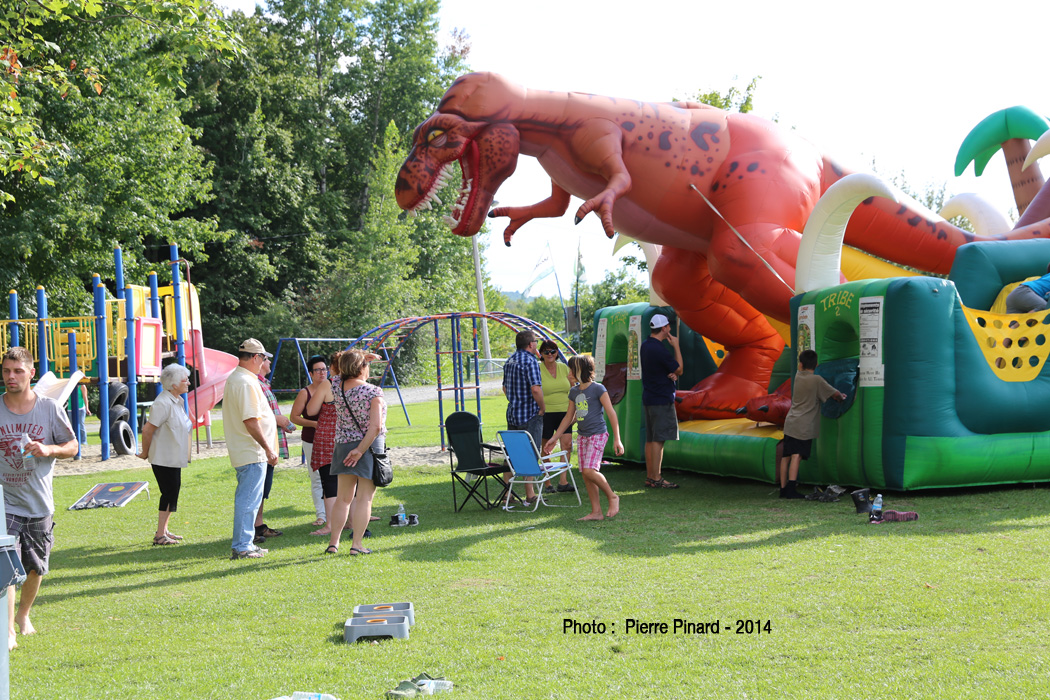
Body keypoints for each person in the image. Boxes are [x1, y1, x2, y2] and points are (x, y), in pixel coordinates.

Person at [0, 347, 77, 650]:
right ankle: (7, 629)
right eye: (6, 371)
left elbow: (72, 447)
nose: (11, 376)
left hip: (38, 501)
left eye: (18, 371)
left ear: (31, 373)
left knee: (34, 567)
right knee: (5, 565)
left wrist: (48, 449)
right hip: (5, 501)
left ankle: (23, 615)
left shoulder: (49, 408)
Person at [306, 349, 385, 556]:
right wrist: (360, 450)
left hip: (342, 446)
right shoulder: (373, 391)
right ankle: (356, 544)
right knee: (364, 498)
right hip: (367, 447)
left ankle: (334, 543)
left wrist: (359, 359)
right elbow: (375, 427)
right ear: (362, 368)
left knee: (343, 498)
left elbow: (339, 373)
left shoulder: (336, 386)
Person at [545, 355, 624, 521]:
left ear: (580, 371)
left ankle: (612, 496)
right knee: (586, 475)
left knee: (589, 470)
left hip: (597, 434)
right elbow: (568, 417)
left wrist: (617, 439)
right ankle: (596, 512)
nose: (568, 374)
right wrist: (554, 438)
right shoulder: (574, 392)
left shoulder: (598, 389)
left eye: (571, 371)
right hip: (582, 436)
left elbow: (611, 413)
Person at [222, 338, 278, 560]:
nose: (264, 362)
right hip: (252, 451)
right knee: (248, 501)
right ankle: (242, 546)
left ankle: (245, 544)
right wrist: (268, 449)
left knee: (250, 501)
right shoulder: (245, 382)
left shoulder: (240, 378)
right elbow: (250, 420)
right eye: (263, 358)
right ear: (256, 357)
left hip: (248, 450)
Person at [136, 363, 192, 545]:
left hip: (173, 457)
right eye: (185, 380)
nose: (189, 383)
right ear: (174, 385)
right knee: (168, 493)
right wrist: (144, 452)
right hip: (164, 458)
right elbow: (147, 430)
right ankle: (160, 535)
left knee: (172, 493)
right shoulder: (162, 403)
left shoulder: (176, 401)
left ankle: (164, 530)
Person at [778, 349, 846, 499]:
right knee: (797, 455)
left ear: (801, 365)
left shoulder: (798, 376)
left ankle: (783, 489)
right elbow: (835, 394)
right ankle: (791, 489)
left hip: (791, 421)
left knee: (786, 456)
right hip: (803, 424)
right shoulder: (817, 380)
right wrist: (841, 397)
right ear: (816, 365)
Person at [253, 355, 295, 544]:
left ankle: (258, 525)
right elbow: (255, 414)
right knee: (257, 489)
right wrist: (277, 419)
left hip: (269, 442)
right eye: (267, 359)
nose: (270, 362)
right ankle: (252, 529)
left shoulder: (263, 383)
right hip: (261, 445)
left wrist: (280, 421)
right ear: (260, 360)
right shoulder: (254, 384)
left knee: (263, 489)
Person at [640, 313, 683, 489]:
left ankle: (650, 477)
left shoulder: (646, 345)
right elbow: (680, 369)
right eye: (669, 326)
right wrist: (676, 346)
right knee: (659, 440)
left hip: (650, 397)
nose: (670, 329)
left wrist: (669, 374)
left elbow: (660, 369)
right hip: (661, 399)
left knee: (651, 439)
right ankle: (657, 478)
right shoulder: (659, 349)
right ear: (664, 328)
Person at [502, 330, 545, 503]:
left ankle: (507, 493)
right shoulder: (530, 361)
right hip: (529, 415)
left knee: (511, 453)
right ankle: (530, 494)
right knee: (531, 453)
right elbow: (536, 389)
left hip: (513, 414)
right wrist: (542, 407)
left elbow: (504, 388)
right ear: (530, 344)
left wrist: (515, 400)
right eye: (536, 342)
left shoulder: (509, 361)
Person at [305, 352, 341, 536]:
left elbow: (311, 410)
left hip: (328, 439)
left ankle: (330, 525)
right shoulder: (357, 384)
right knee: (350, 482)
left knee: (329, 482)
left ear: (332, 367)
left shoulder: (330, 384)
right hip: (350, 438)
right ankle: (350, 521)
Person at [290, 354, 329, 528]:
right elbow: (294, 417)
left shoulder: (333, 388)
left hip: (331, 441)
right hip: (311, 440)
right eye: (318, 370)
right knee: (317, 478)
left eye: (324, 369)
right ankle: (321, 515)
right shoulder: (305, 393)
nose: (322, 373)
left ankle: (337, 512)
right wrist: (314, 424)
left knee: (335, 477)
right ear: (311, 373)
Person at [538, 339, 574, 493]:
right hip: (546, 413)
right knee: (546, 448)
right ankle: (547, 482)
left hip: (565, 412)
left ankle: (563, 481)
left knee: (567, 445)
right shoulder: (537, 369)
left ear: (557, 352)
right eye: (546, 351)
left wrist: (574, 410)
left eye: (552, 351)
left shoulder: (564, 368)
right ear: (541, 354)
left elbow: (573, 387)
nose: (550, 354)